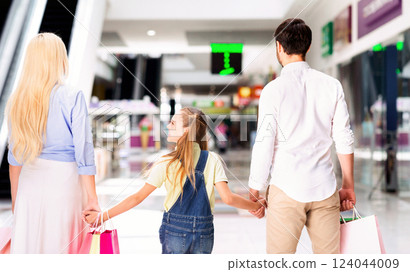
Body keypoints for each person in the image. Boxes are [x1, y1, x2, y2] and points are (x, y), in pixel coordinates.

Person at [83, 107, 266, 254]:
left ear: (186, 130)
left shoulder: (166, 162)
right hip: (204, 232)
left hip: (174, 231)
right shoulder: (212, 159)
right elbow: (228, 198)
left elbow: (137, 198)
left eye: (172, 123)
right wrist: (255, 206)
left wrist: (102, 216)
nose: (168, 126)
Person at [248, 19, 356, 254]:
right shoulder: (331, 85)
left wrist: (255, 189)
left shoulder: (273, 90)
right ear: (308, 48)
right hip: (324, 188)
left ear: (279, 47)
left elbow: (265, 142)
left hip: (286, 188)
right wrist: (348, 185)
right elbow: (344, 136)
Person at [6, 33, 100, 253]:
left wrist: (16, 201)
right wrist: (92, 199)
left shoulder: (17, 100)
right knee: (61, 246)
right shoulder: (72, 96)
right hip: (63, 182)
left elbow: (14, 159)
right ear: (60, 59)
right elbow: (83, 150)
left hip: (28, 184)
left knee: (29, 247)